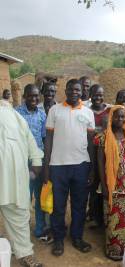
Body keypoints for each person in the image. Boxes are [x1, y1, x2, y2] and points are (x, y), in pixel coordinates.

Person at [44, 79, 95, 256]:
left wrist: (92, 169)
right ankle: (58, 239)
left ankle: (77, 237)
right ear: (65, 90)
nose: (74, 92)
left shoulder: (88, 113)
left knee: (79, 205)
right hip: (58, 166)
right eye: (71, 89)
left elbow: (90, 142)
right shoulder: (54, 110)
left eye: (77, 90)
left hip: (81, 165)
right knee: (58, 206)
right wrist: (46, 167)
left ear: (82, 92)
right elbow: (48, 140)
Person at [0, 100, 44, 267]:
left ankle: (24, 253)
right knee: (19, 216)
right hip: (14, 179)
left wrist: (35, 166)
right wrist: (36, 165)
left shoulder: (17, 118)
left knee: (18, 216)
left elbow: (33, 147)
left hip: (13, 179)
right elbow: (35, 152)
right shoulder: (18, 116)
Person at [95, 105, 125, 260]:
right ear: (110, 118)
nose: (120, 119)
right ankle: (114, 250)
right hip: (112, 185)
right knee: (114, 217)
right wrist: (105, 185)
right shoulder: (104, 137)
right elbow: (100, 163)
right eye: (116, 116)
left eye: (123, 116)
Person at [15, 84, 51, 243]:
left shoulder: (42, 114)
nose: (34, 99)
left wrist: (44, 164)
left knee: (39, 195)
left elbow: (44, 139)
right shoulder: (16, 113)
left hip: (39, 162)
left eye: (37, 96)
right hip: (21, 161)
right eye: (31, 96)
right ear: (24, 96)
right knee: (23, 198)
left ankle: (40, 229)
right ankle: (20, 232)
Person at [87, 84, 110, 228]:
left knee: (106, 185)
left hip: (106, 154)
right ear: (90, 95)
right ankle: (95, 216)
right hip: (89, 154)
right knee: (93, 186)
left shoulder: (109, 112)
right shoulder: (86, 112)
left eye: (100, 94)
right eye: (95, 94)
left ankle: (105, 216)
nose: (98, 97)